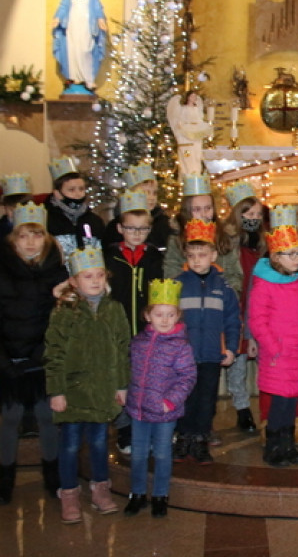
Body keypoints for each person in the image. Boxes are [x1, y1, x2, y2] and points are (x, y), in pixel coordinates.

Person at [45, 246, 130, 524]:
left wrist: (121, 385)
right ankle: (69, 494)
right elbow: (54, 353)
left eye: (98, 275)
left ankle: (100, 489)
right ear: (73, 281)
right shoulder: (64, 312)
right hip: (72, 391)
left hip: (103, 389)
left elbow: (122, 348)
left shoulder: (115, 310)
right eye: (87, 276)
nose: (94, 281)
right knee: (69, 445)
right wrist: (56, 390)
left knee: (98, 442)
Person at [0, 203, 67, 505]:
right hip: (8, 358)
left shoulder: (58, 273)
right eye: (23, 236)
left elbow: (61, 320)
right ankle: (5, 479)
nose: (30, 243)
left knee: (46, 417)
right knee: (10, 417)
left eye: (37, 236)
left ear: (47, 239)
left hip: (43, 358)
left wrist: (41, 355)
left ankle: (52, 476)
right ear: (13, 239)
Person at [247, 206, 298, 467]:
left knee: (292, 404)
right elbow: (257, 320)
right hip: (278, 355)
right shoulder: (264, 285)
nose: (297, 259)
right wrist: (273, 347)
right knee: (279, 404)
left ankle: (288, 446)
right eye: (290, 255)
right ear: (276, 257)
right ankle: (274, 447)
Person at [123, 279, 197, 519]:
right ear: (148, 316)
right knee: (139, 453)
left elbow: (187, 376)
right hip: (139, 409)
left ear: (178, 316)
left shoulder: (181, 346)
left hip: (165, 411)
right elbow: (130, 370)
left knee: (163, 453)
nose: (164, 320)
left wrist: (171, 401)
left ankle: (160, 495)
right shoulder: (138, 342)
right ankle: (136, 493)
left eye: (170, 314)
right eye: (159, 314)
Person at [171, 219, 240, 464]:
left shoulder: (224, 288)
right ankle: (184, 438)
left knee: (206, 400)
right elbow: (169, 321)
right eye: (192, 255)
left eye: (202, 254)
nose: (197, 260)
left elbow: (232, 320)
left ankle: (200, 440)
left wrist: (231, 348)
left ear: (213, 254)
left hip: (211, 354)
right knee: (184, 398)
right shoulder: (177, 285)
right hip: (184, 356)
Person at [103, 190, 164, 455]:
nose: (137, 234)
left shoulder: (154, 256)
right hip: (117, 329)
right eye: (131, 228)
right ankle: (124, 430)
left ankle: (145, 427)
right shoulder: (108, 256)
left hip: (145, 330)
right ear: (119, 228)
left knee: (144, 380)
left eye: (143, 229)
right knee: (121, 382)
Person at [217, 181, 266, 435]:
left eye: (257, 214)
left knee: (252, 354)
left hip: (257, 303)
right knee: (235, 355)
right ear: (237, 213)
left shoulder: (263, 243)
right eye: (248, 214)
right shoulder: (225, 240)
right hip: (235, 302)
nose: (253, 219)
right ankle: (242, 408)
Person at [163, 173, 243, 294]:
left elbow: (234, 274)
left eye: (208, 208)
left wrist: (227, 296)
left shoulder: (226, 237)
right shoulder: (176, 239)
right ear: (187, 211)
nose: (204, 214)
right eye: (197, 209)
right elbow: (172, 273)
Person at [51, 0, 107, 92]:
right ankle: (75, 77)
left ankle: (88, 79)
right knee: (73, 49)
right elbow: (64, 5)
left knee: (86, 49)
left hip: (87, 24)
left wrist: (100, 19)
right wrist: (57, 18)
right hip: (73, 23)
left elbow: (97, 6)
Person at [101, 162, 172, 250]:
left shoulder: (164, 224)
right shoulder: (114, 227)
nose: (151, 198)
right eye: (145, 193)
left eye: (154, 193)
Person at [44, 157, 105, 255]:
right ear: (57, 194)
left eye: (81, 189)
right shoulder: (46, 219)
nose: (78, 194)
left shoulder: (95, 220)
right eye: (71, 190)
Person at [166, 91, 214, 177]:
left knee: (196, 154)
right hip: (186, 132)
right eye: (192, 96)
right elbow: (180, 120)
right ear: (188, 97)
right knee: (187, 154)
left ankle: (196, 173)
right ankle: (188, 173)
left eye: (195, 96)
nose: (194, 98)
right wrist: (181, 127)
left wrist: (205, 128)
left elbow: (200, 119)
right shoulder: (183, 109)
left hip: (196, 132)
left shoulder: (197, 109)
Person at [0, 173, 33, 239]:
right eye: (11, 210)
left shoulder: (33, 221)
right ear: (5, 208)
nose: (14, 214)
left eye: (18, 211)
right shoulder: (2, 226)